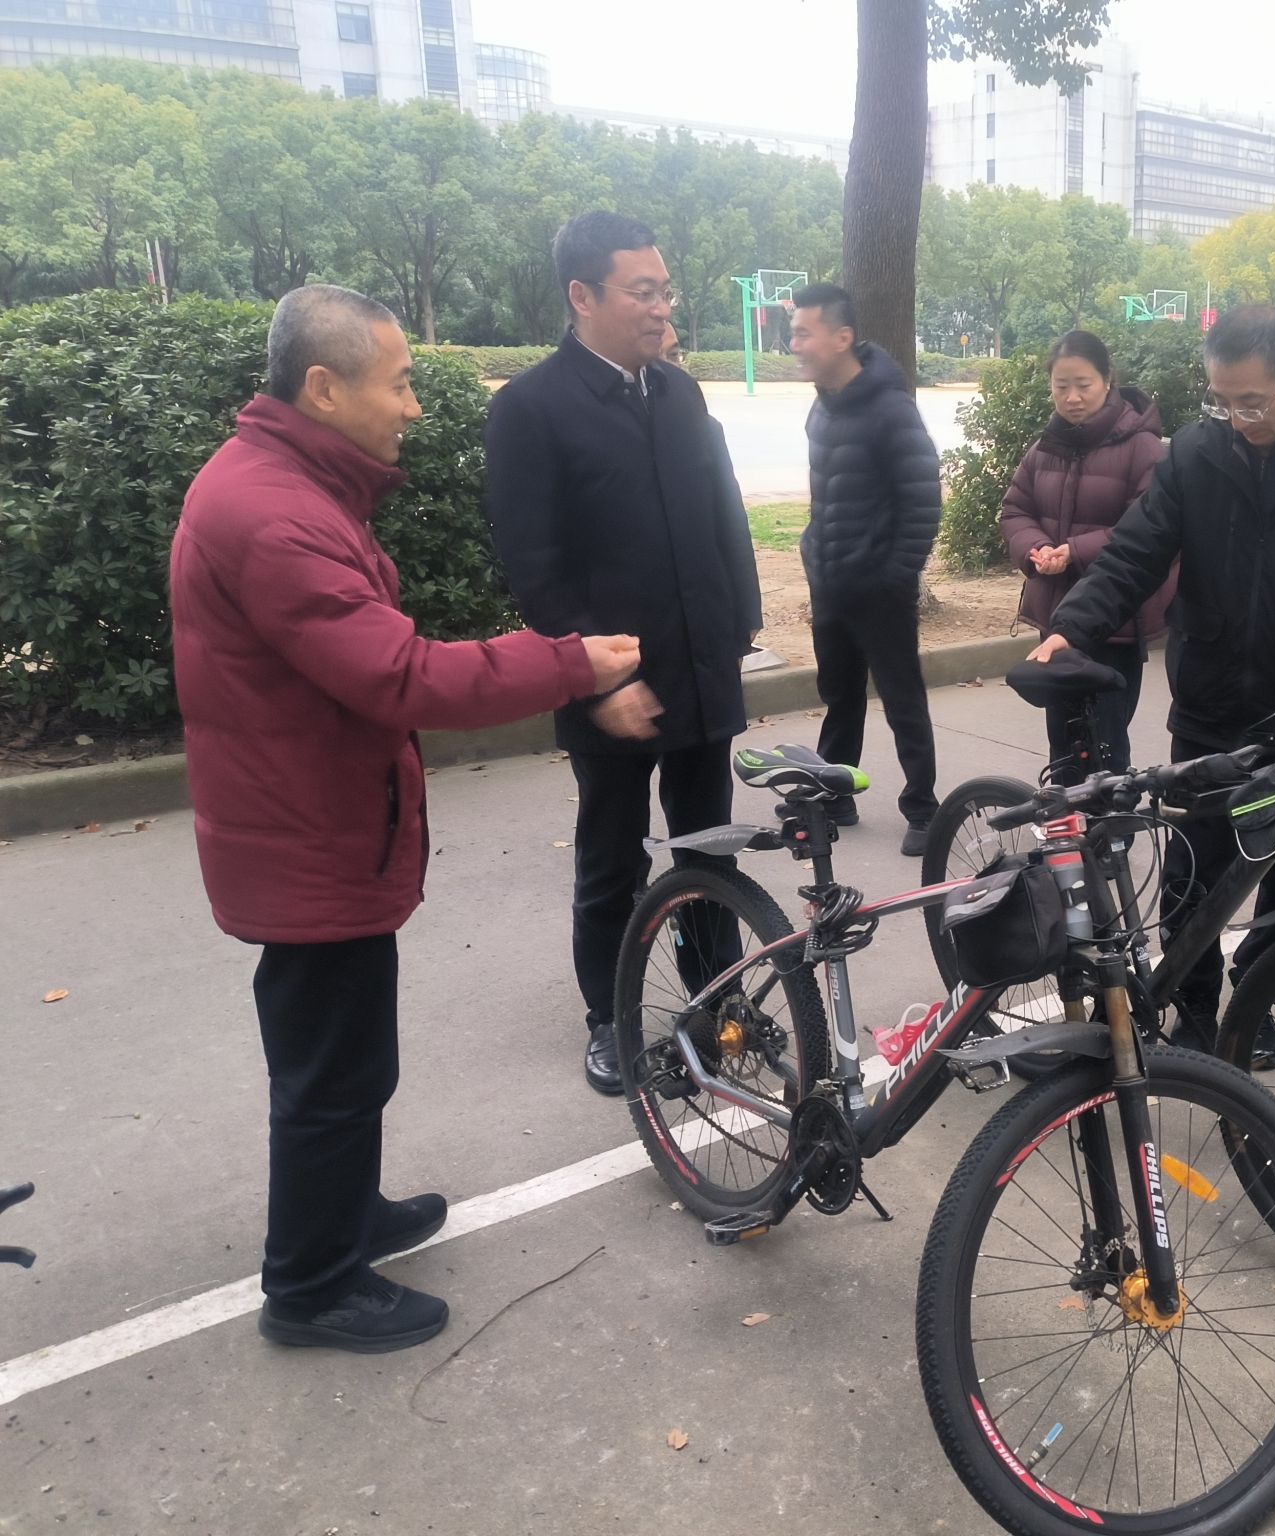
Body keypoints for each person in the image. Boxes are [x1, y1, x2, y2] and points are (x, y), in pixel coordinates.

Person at [170, 285, 642, 1352]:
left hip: (319, 822)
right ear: (324, 388)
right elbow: (397, 675)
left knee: (345, 1060)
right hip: (305, 834)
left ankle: (345, 1216)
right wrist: (565, 662)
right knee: (330, 1074)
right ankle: (311, 1286)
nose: (414, 406)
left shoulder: (285, 484)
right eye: (400, 383)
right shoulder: (272, 512)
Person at [1029, 306, 1275, 1070]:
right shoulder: (1195, 456)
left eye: (1253, 400)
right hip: (1209, 701)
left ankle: (1256, 999)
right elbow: (1134, 554)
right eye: (1222, 400)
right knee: (1192, 869)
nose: (1238, 418)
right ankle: (1194, 1010)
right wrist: (1070, 627)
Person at [485, 212, 763, 1096]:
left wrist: (740, 624)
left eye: (664, 291)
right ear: (582, 295)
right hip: (607, 684)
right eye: (642, 291)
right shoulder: (530, 409)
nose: (660, 307)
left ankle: (716, 999)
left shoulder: (680, 394)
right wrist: (598, 680)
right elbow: (534, 568)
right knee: (612, 859)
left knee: (708, 849)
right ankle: (611, 1016)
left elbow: (723, 515)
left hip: (701, 666)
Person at [787, 282, 943, 856]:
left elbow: (923, 500)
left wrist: (894, 574)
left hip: (880, 589)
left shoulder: (890, 409)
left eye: (804, 333)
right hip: (831, 583)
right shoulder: (821, 407)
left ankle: (924, 809)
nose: (794, 345)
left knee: (903, 700)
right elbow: (824, 496)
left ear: (842, 337)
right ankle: (835, 796)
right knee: (840, 695)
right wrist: (813, 554)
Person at [1000, 330, 1172, 774]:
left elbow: (1148, 530)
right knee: (1063, 741)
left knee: (1105, 742)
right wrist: (1036, 549)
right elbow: (1015, 509)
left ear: (1108, 380)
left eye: (1083, 385)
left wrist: (1074, 551)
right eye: (1061, 386)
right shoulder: (1045, 447)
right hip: (1055, 613)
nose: (1072, 398)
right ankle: (1065, 814)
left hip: (1114, 622)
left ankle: (1106, 815)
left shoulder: (1142, 447)